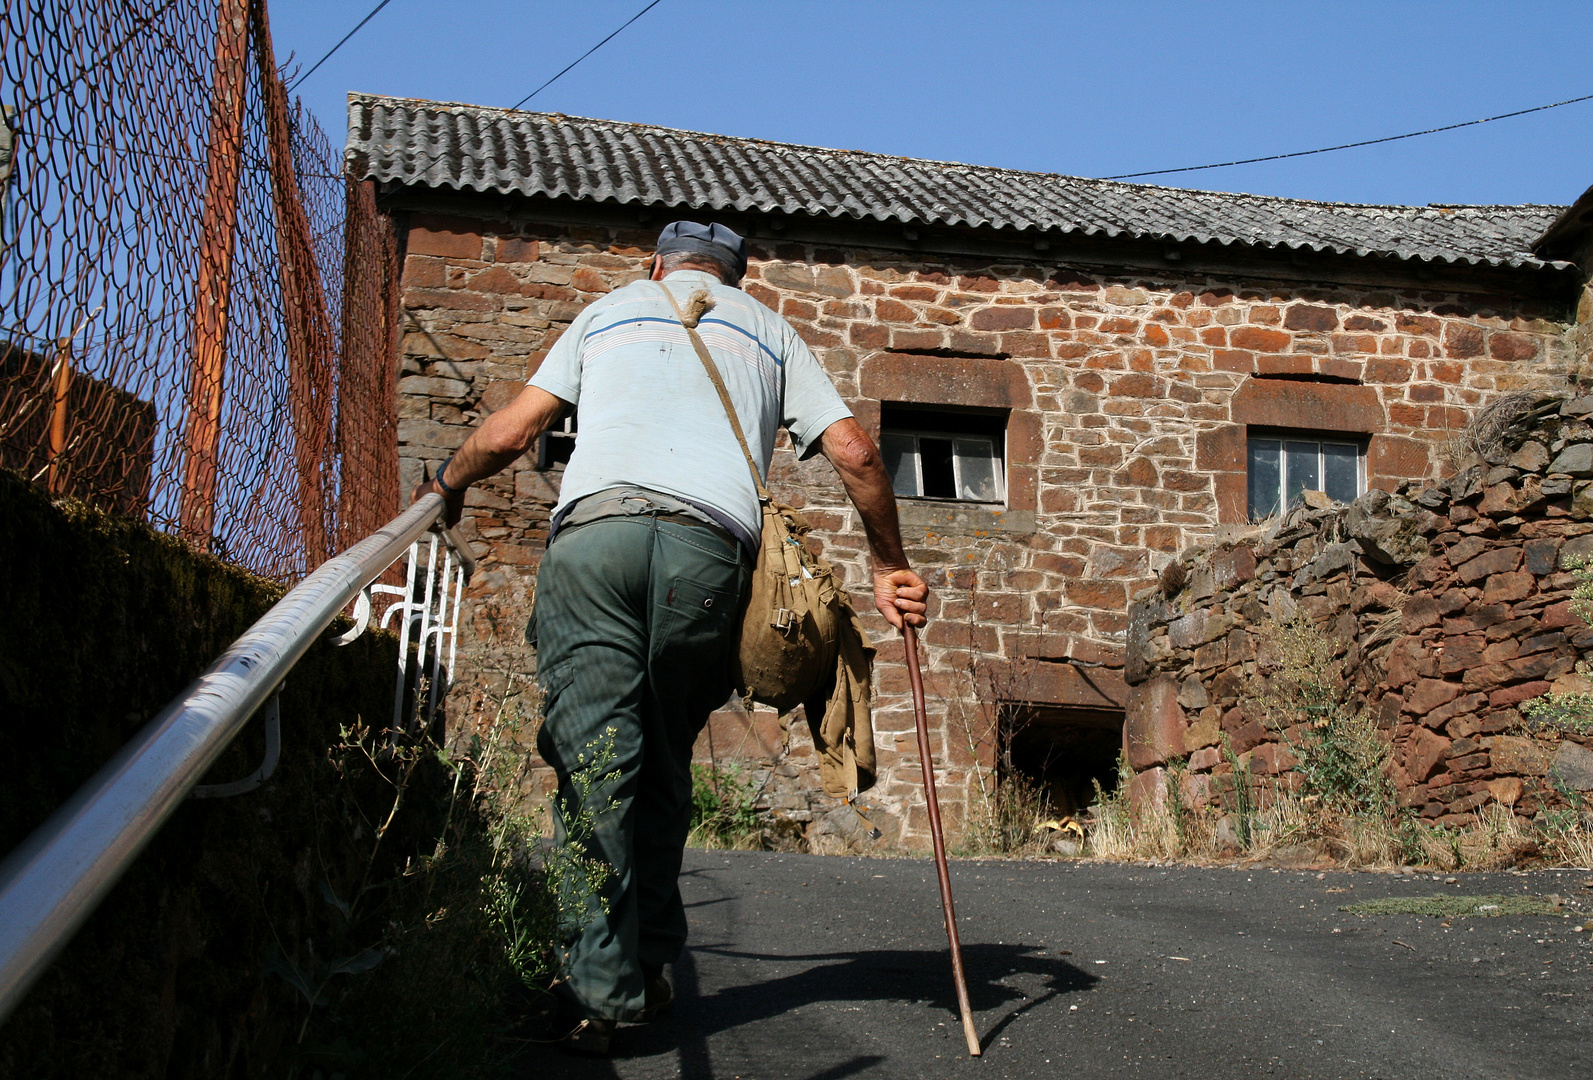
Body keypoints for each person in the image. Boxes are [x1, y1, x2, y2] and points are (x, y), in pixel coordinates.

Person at [411, 221, 928, 1055]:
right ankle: (647, 964)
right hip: (707, 556)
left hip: (595, 545)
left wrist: (445, 482)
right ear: (735, 275)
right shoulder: (770, 328)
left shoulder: (610, 310)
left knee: (594, 760)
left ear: (654, 264)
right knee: (660, 753)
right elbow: (859, 453)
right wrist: (887, 564)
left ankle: (600, 993)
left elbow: (510, 432)